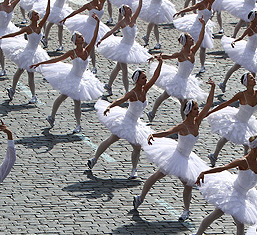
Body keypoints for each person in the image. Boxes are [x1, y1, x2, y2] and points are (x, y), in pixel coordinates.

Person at [133, 80, 216, 221]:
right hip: (176, 156)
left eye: (197, 109)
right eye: (195, 109)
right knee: (157, 176)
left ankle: (186, 211)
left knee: (188, 185)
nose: (198, 111)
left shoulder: (198, 121)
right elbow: (168, 131)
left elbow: (208, 105)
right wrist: (153, 135)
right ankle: (140, 197)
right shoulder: (183, 126)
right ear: (189, 112)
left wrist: (213, 88)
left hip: (188, 158)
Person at [88, 59, 163, 179]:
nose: (146, 80)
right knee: (113, 140)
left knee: (136, 146)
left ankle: (133, 170)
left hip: (135, 122)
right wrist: (109, 106)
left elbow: (155, 76)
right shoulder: (133, 93)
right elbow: (121, 100)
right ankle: (94, 159)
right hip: (126, 121)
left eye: (145, 78)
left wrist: (160, 63)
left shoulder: (145, 89)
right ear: (137, 81)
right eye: (143, 78)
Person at [31, 17, 104, 133]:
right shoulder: (72, 53)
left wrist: (98, 22)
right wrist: (40, 63)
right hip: (72, 77)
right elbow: (56, 59)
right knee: (63, 97)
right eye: (80, 37)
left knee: (76, 101)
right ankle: (53, 116)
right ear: (76, 41)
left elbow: (94, 37)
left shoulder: (87, 50)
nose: (82, 37)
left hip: (82, 78)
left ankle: (77, 124)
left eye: (82, 36)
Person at [206, 66, 257, 167]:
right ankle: (214, 156)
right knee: (226, 136)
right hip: (237, 119)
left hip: (247, 122)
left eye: (253, 78)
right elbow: (225, 104)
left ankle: (247, 163)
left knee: (247, 143)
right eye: (251, 78)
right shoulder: (241, 95)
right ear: (246, 82)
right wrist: (209, 112)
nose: (254, 79)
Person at [0, 0, 51, 103]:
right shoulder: (28, 28)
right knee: (21, 70)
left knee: (30, 73)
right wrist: (2, 37)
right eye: (35, 15)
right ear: (31, 18)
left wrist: (48, 1)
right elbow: (15, 34)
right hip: (28, 51)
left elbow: (47, 13)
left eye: (37, 14)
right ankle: (14, 89)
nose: (38, 16)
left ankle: (32, 95)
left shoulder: (40, 26)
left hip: (36, 52)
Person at [146, 27, 208, 123]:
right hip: (177, 80)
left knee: (183, 102)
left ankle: (184, 122)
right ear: (185, 42)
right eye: (190, 39)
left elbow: (200, 39)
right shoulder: (181, 54)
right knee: (166, 97)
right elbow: (169, 56)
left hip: (186, 80)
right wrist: (155, 56)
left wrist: (203, 25)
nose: (192, 40)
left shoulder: (193, 51)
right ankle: (152, 112)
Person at [97, 0, 151, 95]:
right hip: (122, 47)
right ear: (124, 12)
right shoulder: (122, 22)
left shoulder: (133, 19)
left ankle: (108, 85)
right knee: (124, 70)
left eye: (129, 8)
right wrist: (101, 39)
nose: (130, 9)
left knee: (118, 67)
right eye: (127, 8)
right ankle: (127, 92)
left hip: (132, 46)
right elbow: (111, 31)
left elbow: (140, 6)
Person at [219, 0, 257, 91]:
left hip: (254, 52)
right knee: (236, 67)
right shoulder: (249, 29)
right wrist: (234, 41)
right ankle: (224, 82)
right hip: (247, 51)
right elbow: (241, 37)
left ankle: (250, 90)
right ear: (253, 19)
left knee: (253, 71)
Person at [173, 0, 223, 74]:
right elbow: (191, 8)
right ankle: (181, 58)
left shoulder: (210, 2)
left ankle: (202, 66)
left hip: (204, 26)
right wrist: (180, 11)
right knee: (187, 44)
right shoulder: (201, 4)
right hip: (196, 26)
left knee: (203, 46)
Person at [61, 0, 111, 74]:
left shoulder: (101, 2)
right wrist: (66, 18)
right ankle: (88, 65)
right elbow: (77, 11)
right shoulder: (89, 5)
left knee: (89, 48)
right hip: (88, 26)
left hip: (97, 27)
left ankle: (91, 65)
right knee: (87, 48)